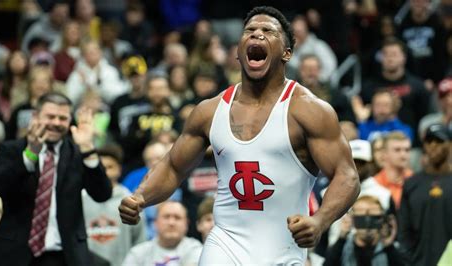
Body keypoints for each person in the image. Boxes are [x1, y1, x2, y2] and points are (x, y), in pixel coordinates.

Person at [119, 6, 360, 265]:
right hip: (224, 243)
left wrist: (320, 220)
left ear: (287, 53)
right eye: (250, 31)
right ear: (238, 52)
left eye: (268, 31)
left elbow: (347, 176)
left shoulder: (309, 110)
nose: (257, 34)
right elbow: (173, 167)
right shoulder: (209, 111)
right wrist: (140, 197)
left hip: (284, 249)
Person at [0, 92, 112, 266]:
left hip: (64, 256)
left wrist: (88, 148)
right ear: (35, 116)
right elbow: (1, 187)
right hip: (14, 255)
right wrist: (31, 154)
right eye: (50, 117)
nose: (56, 123)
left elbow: (102, 194)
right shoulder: (11, 149)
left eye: (62, 118)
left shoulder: (78, 153)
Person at [82, 144, 146, 266]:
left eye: (110, 167)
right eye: (101, 167)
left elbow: (140, 241)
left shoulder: (131, 200)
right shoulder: (81, 198)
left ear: (119, 169)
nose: (105, 171)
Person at [399, 123, 452, 266]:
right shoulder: (411, 184)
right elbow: (404, 231)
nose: (433, 146)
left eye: (439, 141)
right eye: (429, 141)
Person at [324, 195, 404, 266]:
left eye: (373, 218)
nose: (368, 225)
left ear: (382, 220)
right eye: (361, 218)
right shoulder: (343, 249)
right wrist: (342, 236)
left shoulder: (390, 250)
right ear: (353, 219)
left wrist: (389, 245)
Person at [121, 201, 203, 265]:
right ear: (155, 222)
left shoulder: (196, 249)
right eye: (166, 217)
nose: (171, 222)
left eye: (177, 218)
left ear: (186, 224)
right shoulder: (138, 253)